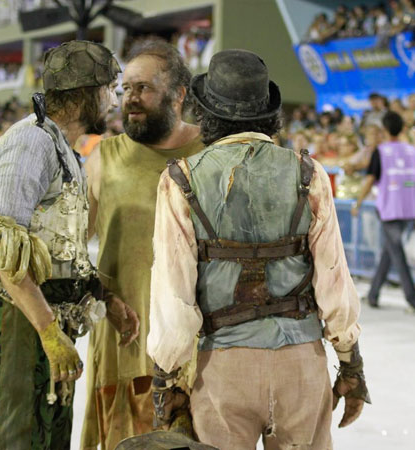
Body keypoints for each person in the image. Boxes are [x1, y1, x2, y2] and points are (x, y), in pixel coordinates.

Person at [147, 49, 369, 450]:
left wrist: (166, 379)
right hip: (302, 363)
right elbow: (335, 279)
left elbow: (173, 294)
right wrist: (351, 364)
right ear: (269, 112)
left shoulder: (180, 180)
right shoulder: (308, 172)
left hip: (222, 368)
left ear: (206, 113)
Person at [0, 41, 139, 450]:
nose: (113, 101)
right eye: (108, 90)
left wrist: (102, 296)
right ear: (84, 96)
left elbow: (61, 248)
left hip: (49, 327)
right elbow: (4, 251)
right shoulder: (30, 143)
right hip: (22, 327)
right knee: (19, 441)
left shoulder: (63, 148)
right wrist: (47, 331)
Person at [80, 40, 205, 450]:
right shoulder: (104, 158)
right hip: (122, 340)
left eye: (143, 88)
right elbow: (73, 245)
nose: (130, 99)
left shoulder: (209, 154)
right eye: (125, 89)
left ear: (179, 94)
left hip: (195, 348)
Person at [353, 111, 415, 311]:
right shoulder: (412, 151)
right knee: (390, 250)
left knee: (397, 253)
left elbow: (370, 179)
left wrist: (357, 202)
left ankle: (414, 300)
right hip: (409, 207)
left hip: (388, 208)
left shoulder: (381, 151)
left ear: (384, 129)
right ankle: (373, 294)